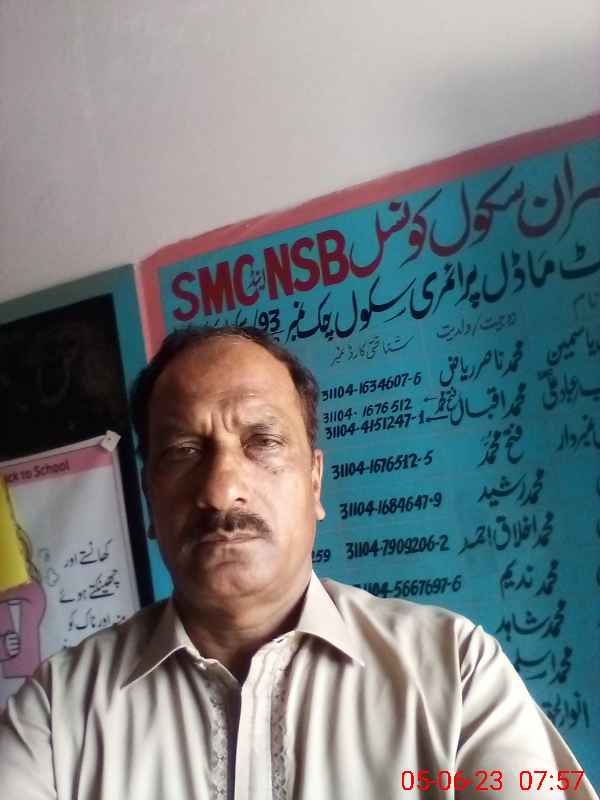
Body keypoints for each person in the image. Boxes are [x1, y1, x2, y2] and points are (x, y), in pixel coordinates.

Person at [0, 325, 597, 800]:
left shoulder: (456, 674)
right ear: (149, 498)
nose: (222, 490)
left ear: (315, 482)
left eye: (262, 442)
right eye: (183, 450)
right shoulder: (58, 711)